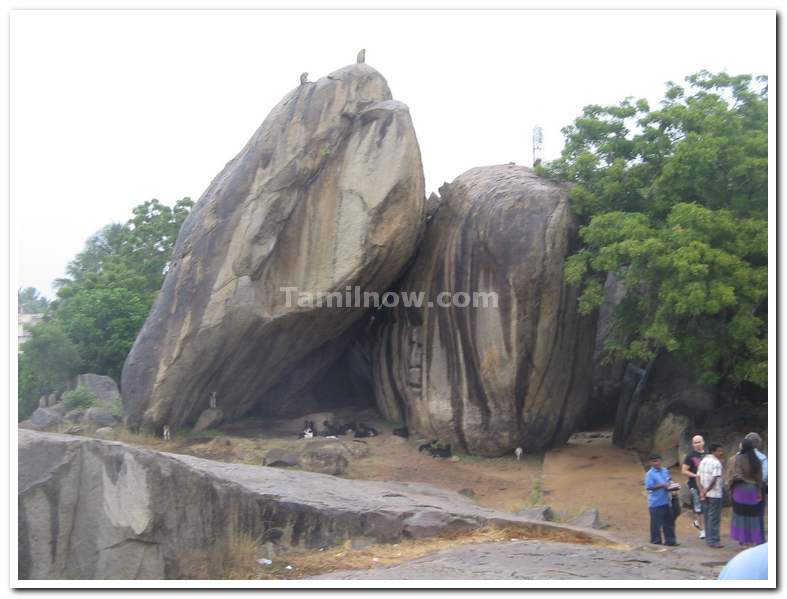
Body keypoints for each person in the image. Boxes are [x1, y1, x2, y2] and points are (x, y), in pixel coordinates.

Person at [728, 437, 764, 546]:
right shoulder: (757, 460)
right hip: (752, 490)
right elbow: (760, 478)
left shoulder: (737, 458)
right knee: (753, 515)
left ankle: (742, 539)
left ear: (742, 446)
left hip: (740, 490)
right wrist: (759, 491)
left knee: (740, 514)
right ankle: (755, 539)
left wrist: (730, 486)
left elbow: (735, 475)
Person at [644, 452, 678, 546]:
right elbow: (649, 487)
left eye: (658, 461)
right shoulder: (649, 474)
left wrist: (672, 485)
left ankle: (670, 541)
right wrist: (662, 485)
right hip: (655, 502)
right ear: (650, 463)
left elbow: (669, 480)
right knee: (656, 524)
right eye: (654, 461)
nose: (657, 463)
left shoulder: (664, 470)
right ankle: (656, 541)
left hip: (666, 501)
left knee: (669, 522)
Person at [697, 442, 725, 548]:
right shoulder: (716, 463)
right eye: (719, 451)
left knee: (708, 516)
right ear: (713, 451)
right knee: (714, 517)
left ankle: (709, 539)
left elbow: (697, 476)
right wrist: (705, 490)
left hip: (705, 494)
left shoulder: (703, 461)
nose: (721, 453)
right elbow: (714, 479)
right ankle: (714, 540)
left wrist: (701, 491)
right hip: (715, 494)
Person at [681, 434, 706, 538]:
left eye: (699, 441)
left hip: (707, 485)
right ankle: (702, 530)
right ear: (692, 444)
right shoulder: (690, 456)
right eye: (695, 442)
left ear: (703, 442)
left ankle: (699, 523)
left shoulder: (708, 455)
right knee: (698, 507)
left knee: (706, 507)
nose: (698, 444)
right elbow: (684, 470)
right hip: (694, 485)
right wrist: (696, 476)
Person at [744, 432, 767, 542]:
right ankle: (760, 539)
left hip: (743, 488)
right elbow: (766, 475)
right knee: (759, 514)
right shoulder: (762, 457)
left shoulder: (739, 456)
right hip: (758, 488)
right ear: (758, 443)